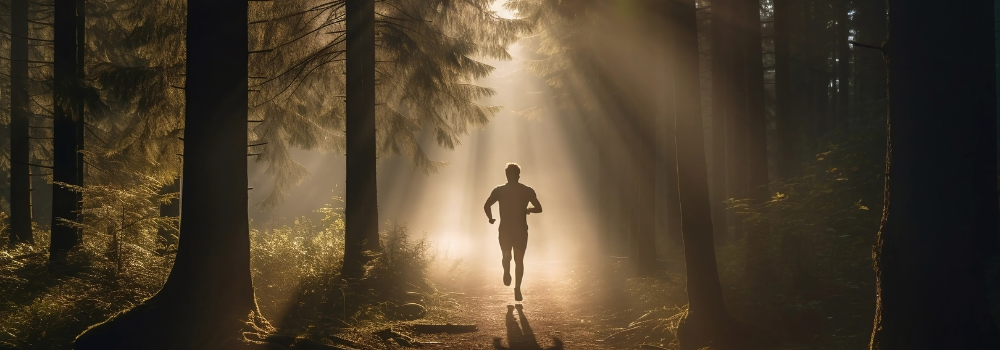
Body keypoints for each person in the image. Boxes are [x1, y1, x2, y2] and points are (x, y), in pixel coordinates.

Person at [484, 163, 542, 301]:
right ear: (519, 175)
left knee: (506, 256)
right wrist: (528, 210)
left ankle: (506, 271)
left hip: (505, 230)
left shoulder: (499, 190)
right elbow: (539, 208)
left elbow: (486, 205)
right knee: (519, 260)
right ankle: (517, 288)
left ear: (506, 175)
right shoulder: (527, 190)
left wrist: (491, 218)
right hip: (521, 230)